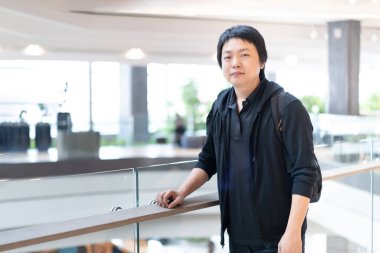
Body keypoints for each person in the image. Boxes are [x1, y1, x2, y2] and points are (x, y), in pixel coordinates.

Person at [155, 25, 319, 253]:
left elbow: (305, 173)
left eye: (244, 55)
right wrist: (182, 192)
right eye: (227, 57)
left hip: (279, 238)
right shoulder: (221, 106)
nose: (235, 63)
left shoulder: (288, 108)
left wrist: (293, 233)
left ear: (262, 61)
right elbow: (208, 158)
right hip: (237, 236)